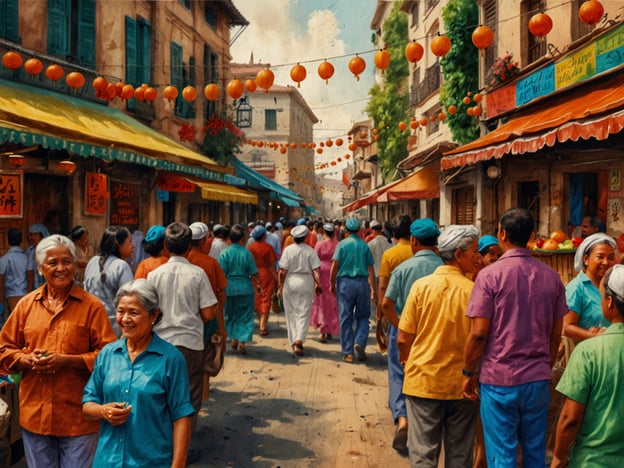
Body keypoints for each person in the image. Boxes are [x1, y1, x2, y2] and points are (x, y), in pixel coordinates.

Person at [463, 208, 568, 467]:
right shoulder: (552, 277)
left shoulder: (489, 276)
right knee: (534, 452)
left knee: (502, 454)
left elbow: (478, 334)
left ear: (502, 234)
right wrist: (545, 365)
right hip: (537, 379)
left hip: (499, 380)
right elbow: (557, 335)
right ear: (532, 236)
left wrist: (468, 373)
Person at [0, 235, 116, 468]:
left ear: (74, 265)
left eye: (67, 262)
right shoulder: (26, 305)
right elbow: (4, 349)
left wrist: (68, 361)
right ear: (41, 269)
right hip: (36, 416)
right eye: (53, 263)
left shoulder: (92, 306)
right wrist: (25, 359)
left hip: (79, 417)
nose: (61, 268)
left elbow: (110, 357)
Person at [82, 279, 195, 468]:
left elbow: (182, 417)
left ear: (154, 315)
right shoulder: (108, 354)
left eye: (134, 313)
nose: (125, 319)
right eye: (121, 311)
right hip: (108, 460)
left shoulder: (170, 359)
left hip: (152, 461)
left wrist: (177, 465)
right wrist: (103, 411)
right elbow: (87, 405)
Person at [398, 225, 481, 466]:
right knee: (459, 456)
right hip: (462, 385)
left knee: (423, 454)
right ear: (458, 254)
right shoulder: (474, 291)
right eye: (474, 251)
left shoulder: (421, 287)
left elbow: (403, 338)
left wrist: (407, 362)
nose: (477, 256)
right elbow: (480, 338)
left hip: (423, 382)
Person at [147, 222, 217, 440]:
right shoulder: (197, 274)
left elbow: (149, 311)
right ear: (189, 247)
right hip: (190, 345)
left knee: (161, 394)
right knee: (188, 397)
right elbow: (207, 315)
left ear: (166, 246)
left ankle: (163, 444)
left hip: (160, 343)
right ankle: (182, 449)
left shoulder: (154, 275)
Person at [551, 264, 624, 467]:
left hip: (595, 460)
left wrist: (558, 456)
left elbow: (570, 418)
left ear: (609, 302)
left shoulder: (588, 351)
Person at [381, 218, 442, 455]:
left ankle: (403, 420)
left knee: (399, 374)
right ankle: (428, 424)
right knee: (430, 373)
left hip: (404, 332)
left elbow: (387, 304)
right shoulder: (445, 267)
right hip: (435, 331)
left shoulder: (402, 269)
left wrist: (400, 326)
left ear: (414, 241)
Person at [187, 222, 228, 400]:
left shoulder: (182, 259)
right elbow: (221, 293)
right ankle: (203, 394)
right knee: (205, 357)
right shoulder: (210, 263)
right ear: (203, 241)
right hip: (207, 316)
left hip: (184, 316)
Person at [330, 217, 376, 363]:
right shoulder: (364, 246)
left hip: (345, 284)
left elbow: (335, 266)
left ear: (346, 231)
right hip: (362, 284)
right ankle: (360, 341)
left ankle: (348, 352)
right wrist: (373, 290)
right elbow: (371, 269)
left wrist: (331, 283)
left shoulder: (342, 245)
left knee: (346, 317)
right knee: (363, 316)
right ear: (359, 230)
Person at [278, 224, 321, 356]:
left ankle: (294, 340)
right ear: (305, 237)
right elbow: (316, 270)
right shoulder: (310, 251)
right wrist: (318, 284)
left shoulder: (288, 250)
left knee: (291, 313)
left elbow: (282, 271)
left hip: (290, 282)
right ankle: (299, 340)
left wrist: (280, 286)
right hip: (306, 282)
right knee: (303, 312)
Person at [564, 233, 616, 342]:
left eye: (611, 257)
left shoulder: (614, 284)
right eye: (600, 257)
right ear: (586, 259)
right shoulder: (576, 288)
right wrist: (592, 336)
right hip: (587, 353)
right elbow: (567, 327)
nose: (606, 262)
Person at [84, 226, 135, 334]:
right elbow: (129, 299)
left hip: (92, 322)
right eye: (129, 242)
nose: (133, 246)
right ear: (118, 244)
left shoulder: (92, 261)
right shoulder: (121, 266)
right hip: (114, 328)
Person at [218, 224, 260, 355]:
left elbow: (221, 273)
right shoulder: (246, 253)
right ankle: (242, 341)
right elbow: (254, 273)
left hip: (229, 288)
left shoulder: (224, 253)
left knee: (230, 314)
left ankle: (234, 338)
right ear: (242, 238)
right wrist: (259, 285)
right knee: (246, 315)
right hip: (245, 287)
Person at [377, 215, 413, 317]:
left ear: (394, 233)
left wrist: (380, 309)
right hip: (416, 305)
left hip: (395, 307)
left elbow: (383, 286)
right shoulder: (417, 251)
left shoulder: (389, 255)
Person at [311, 222, 340, 343]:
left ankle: (323, 331)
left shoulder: (319, 244)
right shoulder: (338, 244)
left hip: (321, 272)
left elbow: (314, 261)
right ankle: (330, 330)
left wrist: (315, 279)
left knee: (322, 302)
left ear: (323, 232)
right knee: (332, 302)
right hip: (334, 273)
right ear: (333, 232)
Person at [248, 226, 277, 336]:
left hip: (253, 275)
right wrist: (276, 279)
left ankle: (260, 322)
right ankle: (262, 326)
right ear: (264, 236)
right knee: (266, 299)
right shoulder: (268, 248)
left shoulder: (250, 248)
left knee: (257, 298)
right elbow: (272, 265)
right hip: (266, 275)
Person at [0, 228, 29, 322]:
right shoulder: (26, 258)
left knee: (12, 322)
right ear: (21, 240)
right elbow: (31, 276)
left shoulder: (4, 259)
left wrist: (1, 298)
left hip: (10, 295)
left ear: (8, 240)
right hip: (25, 294)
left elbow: (1, 281)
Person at [26, 223, 49, 291]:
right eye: (31, 235)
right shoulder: (29, 251)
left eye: (35, 235)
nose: (32, 238)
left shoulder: (49, 251)